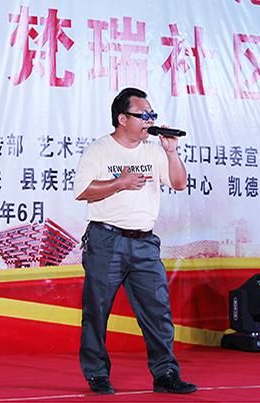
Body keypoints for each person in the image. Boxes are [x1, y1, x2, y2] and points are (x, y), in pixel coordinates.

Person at [74, 87, 197, 395]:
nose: (149, 121)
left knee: (158, 312)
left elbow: (179, 183)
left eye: (152, 115)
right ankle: (97, 374)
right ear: (122, 118)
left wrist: (171, 152)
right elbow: (82, 190)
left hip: (145, 244)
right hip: (107, 240)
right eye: (143, 115)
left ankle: (165, 374)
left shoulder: (154, 151)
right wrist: (120, 183)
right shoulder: (100, 149)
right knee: (96, 311)